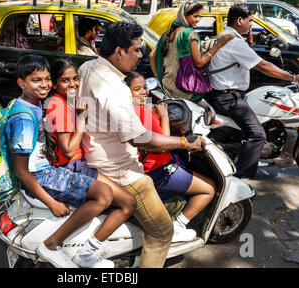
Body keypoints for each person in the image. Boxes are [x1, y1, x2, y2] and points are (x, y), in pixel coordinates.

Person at [78, 21, 207, 268]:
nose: (140, 56)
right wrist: (184, 142)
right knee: (161, 231)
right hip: (122, 172)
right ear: (118, 51)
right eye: (136, 50)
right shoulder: (114, 87)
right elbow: (139, 138)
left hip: (94, 158)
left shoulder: (87, 67)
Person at [5, 54, 133, 268]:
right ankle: (52, 244)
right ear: (21, 82)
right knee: (105, 195)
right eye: (36, 80)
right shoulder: (24, 118)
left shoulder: (35, 104)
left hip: (48, 169)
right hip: (43, 175)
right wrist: (51, 202)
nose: (43, 85)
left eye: (46, 79)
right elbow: (22, 171)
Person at [44, 57, 136, 255]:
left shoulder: (63, 102)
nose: (73, 84)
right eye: (65, 80)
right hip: (72, 166)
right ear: (54, 83)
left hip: (76, 163)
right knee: (128, 203)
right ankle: (74, 247)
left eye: (75, 78)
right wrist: (82, 118)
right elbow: (68, 149)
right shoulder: (58, 106)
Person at [207, 3, 299, 179]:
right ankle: (242, 179)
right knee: (257, 134)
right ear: (239, 20)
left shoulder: (226, 35)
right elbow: (263, 65)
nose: (251, 24)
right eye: (250, 21)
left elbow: (250, 48)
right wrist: (292, 78)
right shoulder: (234, 41)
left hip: (224, 94)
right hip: (228, 98)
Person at [124, 71, 216, 242]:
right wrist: (165, 117)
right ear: (126, 92)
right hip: (159, 171)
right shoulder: (142, 113)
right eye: (137, 89)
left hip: (141, 169)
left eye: (145, 87)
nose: (144, 92)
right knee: (209, 188)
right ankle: (178, 226)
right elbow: (164, 145)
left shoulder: (126, 111)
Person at [149, 0, 234, 101]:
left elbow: (151, 56)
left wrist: (157, 76)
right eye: (195, 16)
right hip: (185, 91)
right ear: (184, 15)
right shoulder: (189, 34)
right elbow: (199, 63)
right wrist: (218, 45)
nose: (198, 20)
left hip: (167, 88)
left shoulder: (166, 34)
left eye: (199, 16)